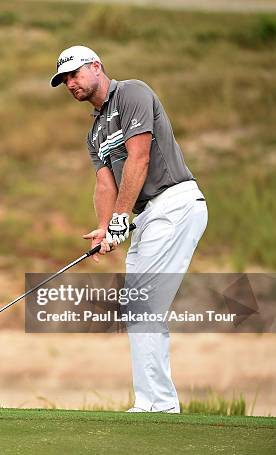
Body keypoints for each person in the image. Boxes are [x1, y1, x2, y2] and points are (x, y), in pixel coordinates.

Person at [50, 45, 208, 413]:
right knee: (137, 307)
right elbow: (105, 184)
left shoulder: (133, 93)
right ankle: (151, 403)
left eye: (75, 74)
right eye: (65, 81)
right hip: (148, 216)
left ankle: (161, 405)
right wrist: (106, 227)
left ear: (96, 67)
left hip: (174, 203)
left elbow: (140, 157)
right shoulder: (94, 133)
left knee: (145, 305)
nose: (71, 84)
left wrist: (122, 219)